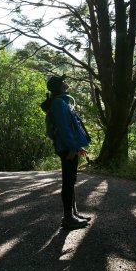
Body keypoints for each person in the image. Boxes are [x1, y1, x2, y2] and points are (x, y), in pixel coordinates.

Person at [41, 74, 91, 230]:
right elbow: (64, 128)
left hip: (70, 147)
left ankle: (73, 214)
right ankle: (68, 218)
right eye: (63, 81)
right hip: (67, 148)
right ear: (59, 86)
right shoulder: (59, 104)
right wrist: (71, 147)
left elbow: (72, 127)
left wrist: (78, 146)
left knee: (71, 180)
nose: (66, 82)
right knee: (68, 181)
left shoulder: (62, 101)